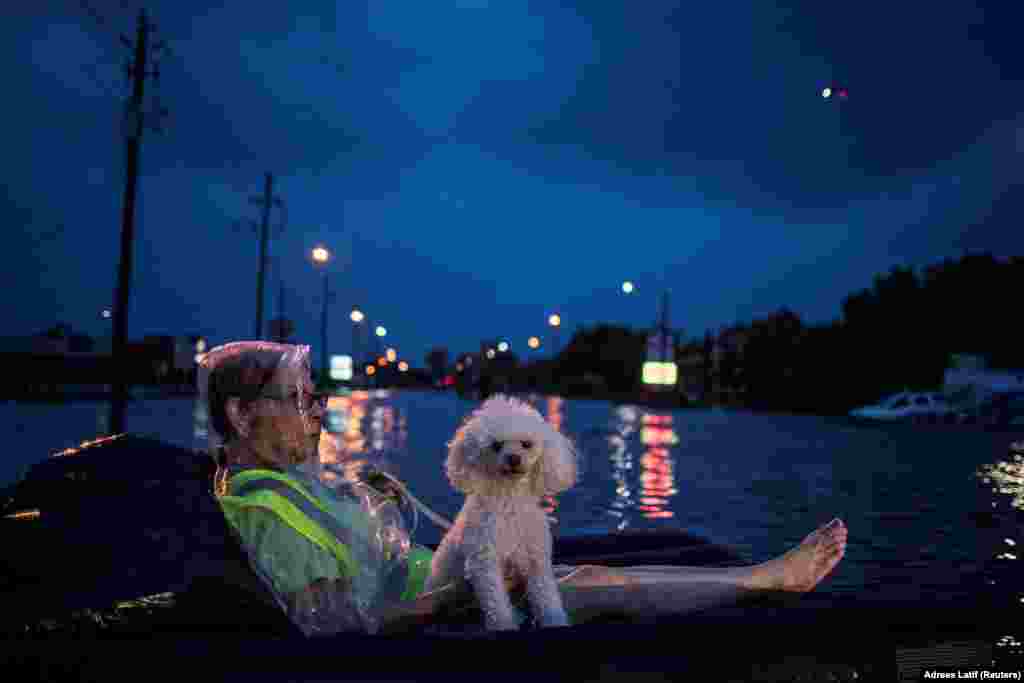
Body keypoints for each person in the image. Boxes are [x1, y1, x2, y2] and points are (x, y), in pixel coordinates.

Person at [198, 341, 848, 636]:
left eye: (315, 398)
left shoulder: (284, 483)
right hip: (435, 606)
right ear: (241, 417)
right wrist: (456, 595)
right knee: (587, 580)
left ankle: (752, 579)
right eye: (300, 400)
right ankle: (764, 580)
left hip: (428, 579)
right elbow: (337, 628)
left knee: (582, 565)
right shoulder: (261, 508)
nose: (317, 412)